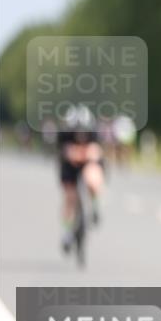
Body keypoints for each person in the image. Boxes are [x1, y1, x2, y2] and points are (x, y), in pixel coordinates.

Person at [57, 105, 105, 251]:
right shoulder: (64, 135)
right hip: (69, 167)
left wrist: (84, 154)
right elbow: (65, 153)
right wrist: (77, 153)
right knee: (70, 197)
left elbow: (96, 152)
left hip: (88, 163)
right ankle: (66, 233)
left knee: (93, 177)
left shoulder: (94, 133)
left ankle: (95, 206)